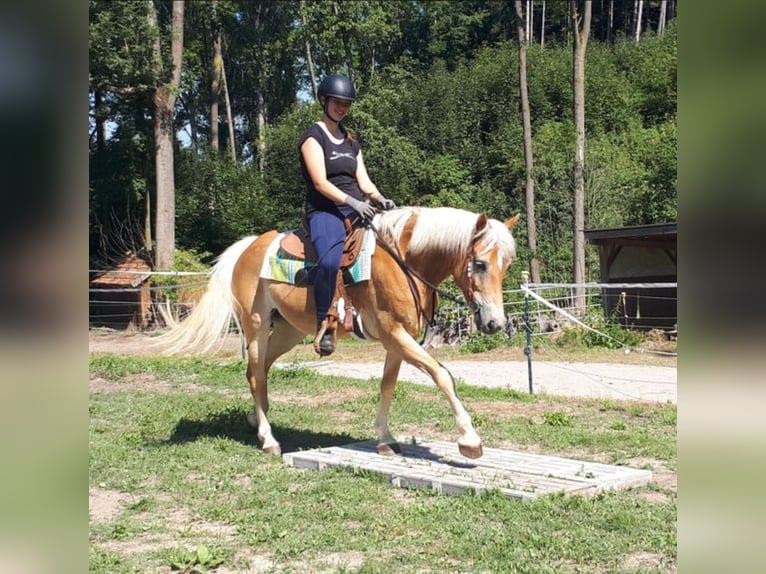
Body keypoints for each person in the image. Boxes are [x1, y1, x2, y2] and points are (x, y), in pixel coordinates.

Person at [298, 73, 396, 356]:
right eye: (337, 102)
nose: (342, 108)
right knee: (329, 262)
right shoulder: (312, 137)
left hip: (358, 208)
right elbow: (320, 182)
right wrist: (354, 203)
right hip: (326, 211)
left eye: (347, 103)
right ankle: (324, 322)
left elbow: (364, 181)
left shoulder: (352, 142)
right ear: (323, 101)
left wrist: (379, 198)